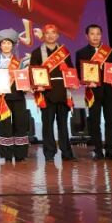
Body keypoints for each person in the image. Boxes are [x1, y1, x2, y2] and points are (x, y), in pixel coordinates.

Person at [28, 24, 77, 162]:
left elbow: (71, 70)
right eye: (47, 33)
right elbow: (33, 73)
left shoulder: (64, 52)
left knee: (63, 125)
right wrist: (37, 85)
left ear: (57, 35)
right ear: (43, 35)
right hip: (47, 94)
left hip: (63, 92)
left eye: (53, 33)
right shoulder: (37, 52)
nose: (50, 36)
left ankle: (66, 153)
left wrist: (73, 82)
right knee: (47, 125)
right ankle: (49, 154)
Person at [75, 24, 112, 160]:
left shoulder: (109, 51)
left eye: (98, 34)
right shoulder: (81, 53)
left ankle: (110, 151)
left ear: (101, 35)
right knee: (94, 122)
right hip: (93, 92)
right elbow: (79, 74)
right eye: (92, 34)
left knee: (110, 122)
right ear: (87, 36)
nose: (95, 36)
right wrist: (85, 81)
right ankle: (98, 151)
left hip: (110, 91)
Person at [0, 29, 30, 163]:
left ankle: (20, 154)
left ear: (13, 46)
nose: (6, 46)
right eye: (4, 43)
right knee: (4, 125)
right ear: (0, 46)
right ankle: (7, 155)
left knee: (20, 124)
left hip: (18, 96)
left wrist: (26, 86)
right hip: (3, 97)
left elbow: (24, 78)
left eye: (9, 43)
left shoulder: (20, 62)